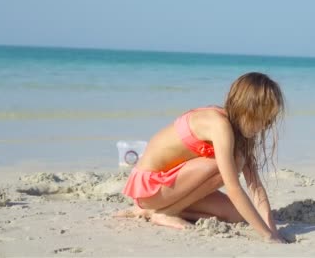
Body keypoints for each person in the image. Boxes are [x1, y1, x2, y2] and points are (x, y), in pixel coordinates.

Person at [115, 72, 287, 243]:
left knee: (236, 215)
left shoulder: (241, 132)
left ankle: (151, 211)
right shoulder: (219, 125)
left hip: (169, 189)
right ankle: (166, 212)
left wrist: (272, 229)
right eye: (262, 119)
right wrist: (267, 236)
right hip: (150, 188)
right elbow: (233, 187)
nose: (264, 127)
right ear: (247, 109)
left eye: (269, 121)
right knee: (230, 165)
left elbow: (255, 187)